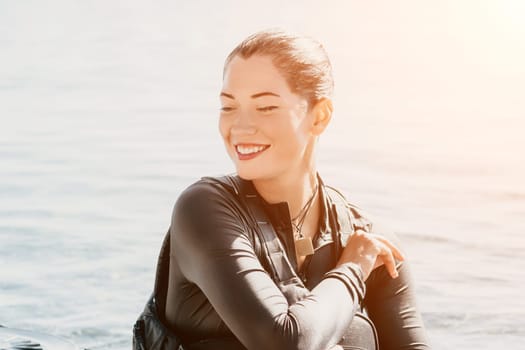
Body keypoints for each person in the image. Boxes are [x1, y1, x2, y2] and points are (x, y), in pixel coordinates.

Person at [162, 29, 430, 349]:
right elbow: (285, 343)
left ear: (319, 116)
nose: (241, 127)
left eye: (266, 108)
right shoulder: (204, 210)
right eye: (228, 107)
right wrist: (352, 269)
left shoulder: (370, 240)